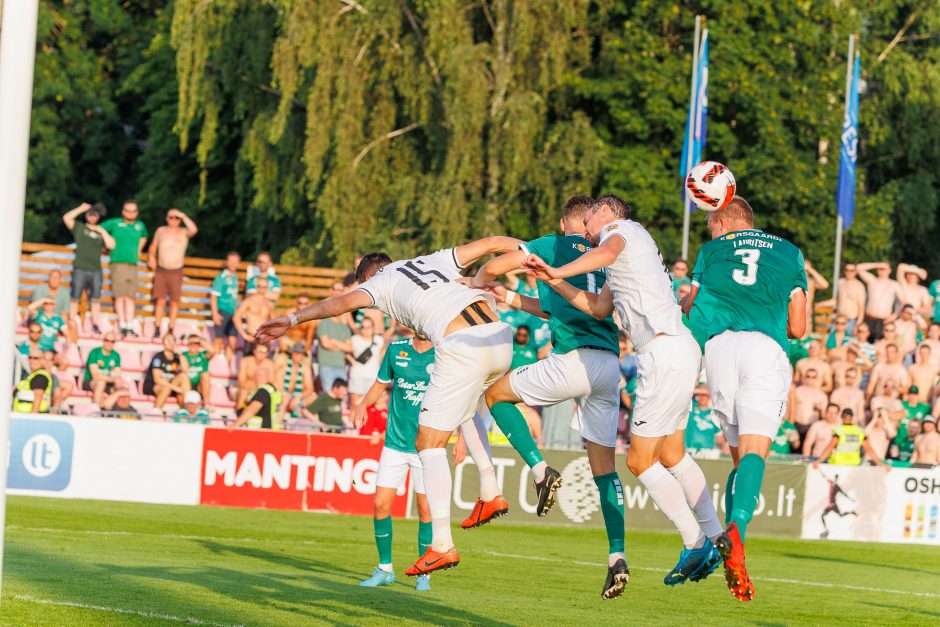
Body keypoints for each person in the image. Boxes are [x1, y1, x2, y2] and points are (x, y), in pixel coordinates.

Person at [255, 234, 529, 578]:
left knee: (427, 444)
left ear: (368, 277)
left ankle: (442, 545)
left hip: (462, 344)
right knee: (468, 408)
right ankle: (491, 489)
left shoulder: (378, 285)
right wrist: (537, 254)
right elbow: (492, 242)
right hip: (499, 338)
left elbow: (338, 305)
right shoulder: (433, 259)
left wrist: (294, 319)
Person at [525, 194, 723, 588]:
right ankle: (716, 536)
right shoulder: (629, 256)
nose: (584, 229)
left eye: (589, 220)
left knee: (638, 461)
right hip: (679, 349)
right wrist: (556, 280)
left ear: (605, 212)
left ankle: (697, 542)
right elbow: (598, 308)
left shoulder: (620, 231)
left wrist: (556, 265)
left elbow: (607, 252)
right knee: (670, 453)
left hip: (663, 351)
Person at [469, 195, 632, 597]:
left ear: (564, 222)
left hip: (573, 360)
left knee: (495, 396)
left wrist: (473, 287)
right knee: (605, 470)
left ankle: (541, 471)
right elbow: (555, 307)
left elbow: (494, 265)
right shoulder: (602, 253)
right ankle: (617, 555)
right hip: (609, 365)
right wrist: (504, 297)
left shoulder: (553, 245)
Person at [679, 194, 808, 602]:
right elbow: (800, 327)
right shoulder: (790, 252)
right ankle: (737, 531)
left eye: (710, 225)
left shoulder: (712, 251)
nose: (709, 232)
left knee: (738, 456)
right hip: (764, 347)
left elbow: (693, 306)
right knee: (755, 451)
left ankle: (737, 549)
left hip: (719, 352)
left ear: (724, 221)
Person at [353, 334, 435, 592]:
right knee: (380, 505)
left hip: (427, 446)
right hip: (395, 444)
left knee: (425, 510)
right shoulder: (397, 350)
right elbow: (380, 383)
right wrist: (362, 405)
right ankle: (384, 568)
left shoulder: (444, 353)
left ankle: (425, 570)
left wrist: (464, 440)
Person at [63, 202, 115, 334]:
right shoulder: (80, 228)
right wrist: (80, 208)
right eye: (90, 214)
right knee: (75, 297)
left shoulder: (100, 232)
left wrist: (102, 231)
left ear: (98, 217)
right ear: (86, 215)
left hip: (96, 269)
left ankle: (95, 324)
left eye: (95, 215)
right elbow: (66, 218)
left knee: (96, 298)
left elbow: (111, 245)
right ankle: (72, 321)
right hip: (80, 267)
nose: (92, 217)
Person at [148, 208, 198, 337]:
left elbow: (194, 230)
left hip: (176, 270)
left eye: (176, 218)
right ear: (166, 218)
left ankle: (171, 328)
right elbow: (153, 246)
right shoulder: (161, 231)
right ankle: (157, 328)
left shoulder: (183, 232)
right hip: (162, 269)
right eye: (171, 217)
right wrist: (151, 257)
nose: (174, 220)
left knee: (174, 301)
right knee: (160, 300)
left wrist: (183, 215)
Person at [101, 200, 148, 336]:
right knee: (120, 295)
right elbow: (99, 228)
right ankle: (122, 324)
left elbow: (144, 237)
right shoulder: (115, 223)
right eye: (128, 210)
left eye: (133, 210)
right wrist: (106, 244)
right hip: (118, 262)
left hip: (133, 264)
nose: (130, 213)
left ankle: (130, 323)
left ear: (137, 212)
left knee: (130, 296)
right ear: (123, 211)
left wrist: (139, 250)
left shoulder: (140, 225)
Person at [814, 408, 886, 467]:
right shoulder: (859, 431)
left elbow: (830, 447)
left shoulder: (839, 430)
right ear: (852, 418)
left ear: (841, 417)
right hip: (853, 465)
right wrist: (880, 464)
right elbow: (869, 449)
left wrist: (819, 461)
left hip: (838, 464)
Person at [315, 282, 354, 391]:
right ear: (330, 290)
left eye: (341, 290)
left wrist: (334, 342)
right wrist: (341, 346)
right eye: (336, 289)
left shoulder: (345, 313)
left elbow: (349, 346)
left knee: (341, 393)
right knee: (328, 392)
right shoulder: (323, 309)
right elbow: (325, 343)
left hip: (340, 363)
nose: (338, 292)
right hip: (326, 362)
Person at [857, 262, 903, 340]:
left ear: (889, 270)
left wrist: (895, 315)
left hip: (884, 321)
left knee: (881, 345)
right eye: (880, 269)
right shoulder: (872, 280)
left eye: (884, 269)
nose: (882, 271)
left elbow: (904, 302)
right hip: (869, 319)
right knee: (865, 344)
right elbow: (858, 268)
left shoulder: (894, 284)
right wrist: (877, 264)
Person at [143, 333, 190, 410]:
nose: (171, 343)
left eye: (173, 340)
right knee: (166, 388)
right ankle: (156, 411)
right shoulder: (158, 357)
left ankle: (187, 411)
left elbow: (186, 370)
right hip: (155, 386)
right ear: (163, 343)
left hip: (170, 384)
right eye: (168, 340)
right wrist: (175, 388)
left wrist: (181, 355)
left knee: (184, 377)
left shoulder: (177, 357)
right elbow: (157, 379)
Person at [347, 317, 386, 408]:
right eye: (363, 327)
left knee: (372, 405)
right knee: (355, 405)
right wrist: (352, 361)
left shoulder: (379, 340)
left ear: (373, 328)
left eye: (368, 327)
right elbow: (346, 351)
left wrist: (379, 363)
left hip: (373, 376)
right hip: (357, 375)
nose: (366, 330)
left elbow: (383, 351)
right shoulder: (354, 339)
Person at [210, 251, 242, 362]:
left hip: (233, 314)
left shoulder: (235, 277)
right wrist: (215, 314)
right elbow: (214, 296)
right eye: (231, 261)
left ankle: (228, 367)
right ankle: (215, 364)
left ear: (239, 264)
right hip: (222, 311)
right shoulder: (221, 277)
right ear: (226, 262)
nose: (233, 264)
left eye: (235, 262)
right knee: (218, 340)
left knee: (232, 342)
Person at [82, 333, 128, 406]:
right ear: (103, 341)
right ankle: (96, 409)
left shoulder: (116, 355)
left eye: (112, 341)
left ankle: (109, 409)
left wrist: (119, 383)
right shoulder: (94, 353)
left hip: (107, 383)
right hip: (90, 382)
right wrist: (114, 379)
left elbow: (118, 375)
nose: (109, 343)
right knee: (101, 383)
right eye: (107, 340)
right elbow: (95, 377)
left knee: (124, 390)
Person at [233, 277, 275, 354]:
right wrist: (244, 335)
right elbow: (236, 317)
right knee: (248, 363)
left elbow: (274, 322)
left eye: (264, 287)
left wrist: (273, 337)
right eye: (260, 286)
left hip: (264, 338)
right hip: (252, 337)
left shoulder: (269, 304)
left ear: (267, 288)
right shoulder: (249, 301)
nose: (262, 289)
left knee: (265, 364)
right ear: (256, 287)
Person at [790, 369, 828, 445]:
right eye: (808, 376)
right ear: (804, 377)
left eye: (813, 377)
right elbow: (790, 409)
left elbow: (824, 417)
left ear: (817, 379)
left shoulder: (821, 395)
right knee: (794, 451)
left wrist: (820, 410)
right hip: (797, 425)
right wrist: (791, 426)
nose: (810, 379)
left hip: (812, 427)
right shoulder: (797, 391)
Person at [276, 342, 315, 416]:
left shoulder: (305, 368)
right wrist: (284, 394)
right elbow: (277, 384)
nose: (298, 356)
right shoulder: (284, 365)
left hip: (297, 396)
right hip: (284, 395)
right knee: (285, 399)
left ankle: (296, 416)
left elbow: (310, 389)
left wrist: (299, 397)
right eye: (296, 353)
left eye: (300, 354)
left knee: (313, 397)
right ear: (292, 354)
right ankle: (279, 421)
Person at [236, 343, 274, 408]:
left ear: (267, 353)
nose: (261, 353)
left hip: (262, 390)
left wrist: (258, 390)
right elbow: (240, 382)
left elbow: (271, 382)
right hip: (246, 389)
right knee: (243, 392)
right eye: (259, 351)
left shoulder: (270, 364)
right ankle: (239, 413)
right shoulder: (245, 361)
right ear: (254, 351)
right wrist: (251, 388)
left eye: (264, 351)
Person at [13, 349, 52, 413]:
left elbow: (37, 401)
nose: (32, 360)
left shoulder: (40, 377)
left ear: (43, 360)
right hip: (21, 417)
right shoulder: (31, 376)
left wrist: (32, 419)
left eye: (36, 358)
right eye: (30, 357)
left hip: (29, 418)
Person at [181, 334, 216, 406]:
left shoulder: (203, 355)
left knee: (205, 375)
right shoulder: (183, 355)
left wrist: (200, 340)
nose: (193, 345)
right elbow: (184, 370)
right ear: (188, 344)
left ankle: (206, 404)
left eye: (196, 343)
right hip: (187, 385)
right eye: (191, 343)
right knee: (183, 377)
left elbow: (213, 351)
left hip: (200, 386)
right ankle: (186, 406)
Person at [834, 263, 866, 333]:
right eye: (847, 270)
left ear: (855, 272)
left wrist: (857, 325)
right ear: (844, 271)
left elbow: (861, 308)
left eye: (852, 270)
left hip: (851, 322)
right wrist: (818, 304)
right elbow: (836, 301)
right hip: (839, 321)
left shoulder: (859, 286)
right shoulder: (840, 282)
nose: (849, 272)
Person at [803, 259, 829, 336]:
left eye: (807, 268)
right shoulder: (793, 280)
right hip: (793, 317)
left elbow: (825, 285)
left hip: (807, 319)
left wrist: (811, 270)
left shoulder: (811, 282)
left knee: (806, 343)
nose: (806, 269)